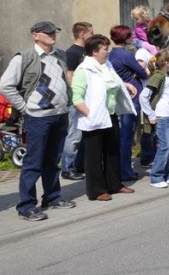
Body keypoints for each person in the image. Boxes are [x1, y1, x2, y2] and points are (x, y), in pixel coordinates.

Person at [0, 21, 76, 221]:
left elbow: (63, 82)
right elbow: (5, 85)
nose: (53, 34)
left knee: (53, 160)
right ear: (35, 35)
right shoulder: (24, 57)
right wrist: (24, 108)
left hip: (59, 115)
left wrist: (68, 102)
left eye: (54, 31)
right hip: (38, 118)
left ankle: (52, 197)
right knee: (33, 162)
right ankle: (26, 206)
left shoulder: (60, 54)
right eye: (48, 32)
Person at [72, 34, 137, 201]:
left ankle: (114, 184)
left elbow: (113, 82)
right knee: (94, 155)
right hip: (93, 118)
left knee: (112, 151)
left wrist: (126, 85)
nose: (108, 52)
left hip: (110, 115)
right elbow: (76, 98)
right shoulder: (84, 70)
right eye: (105, 49)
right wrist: (90, 115)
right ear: (94, 52)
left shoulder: (106, 65)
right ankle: (96, 190)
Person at [107, 25, 148, 182]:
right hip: (132, 97)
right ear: (124, 37)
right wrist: (139, 69)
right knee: (127, 135)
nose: (132, 37)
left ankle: (122, 169)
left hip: (121, 96)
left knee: (124, 134)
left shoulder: (111, 54)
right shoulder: (125, 55)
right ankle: (125, 171)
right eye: (129, 35)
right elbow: (143, 73)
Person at [140, 49, 169, 187]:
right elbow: (143, 96)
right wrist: (151, 114)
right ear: (167, 63)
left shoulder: (166, 75)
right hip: (161, 115)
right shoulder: (158, 76)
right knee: (164, 146)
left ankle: (167, 174)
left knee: (166, 146)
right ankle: (156, 176)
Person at [62, 21, 93, 181]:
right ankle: (67, 168)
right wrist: (76, 98)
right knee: (74, 135)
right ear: (82, 34)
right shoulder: (72, 53)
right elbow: (70, 76)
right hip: (77, 100)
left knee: (82, 135)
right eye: (91, 33)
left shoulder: (87, 52)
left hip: (87, 99)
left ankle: (79, 165)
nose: (92, 35)